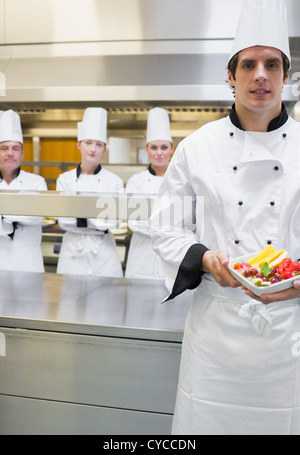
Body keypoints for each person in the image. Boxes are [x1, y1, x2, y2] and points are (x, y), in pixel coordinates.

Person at [150, 0, 300, 435]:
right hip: (216, 330)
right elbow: (166, 228)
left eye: (272, 64)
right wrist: (204, 257)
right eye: (248, 64)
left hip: (289, 332)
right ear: (230, 76)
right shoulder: (198, 147)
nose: (260, 75)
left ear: (285, 77)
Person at [56, 107, 124, 278]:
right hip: (72, 252)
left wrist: (79, 215)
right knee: (70, 302)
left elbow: (115, 221)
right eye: (88, 143)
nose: (93, 149)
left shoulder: (114, 181)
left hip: (104, 255)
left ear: (104, 149)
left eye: (99, 144)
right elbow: (64, 220)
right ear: (78, 145)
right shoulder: (65, 180)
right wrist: (98, 217)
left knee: (105, 302)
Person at [125, 107, 174, 280]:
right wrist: (167, 224)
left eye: (163, 147)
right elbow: (134, 222)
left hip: (171, 255)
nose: (159, 152)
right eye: (154, 147)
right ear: (146, 149)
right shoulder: (135, 182)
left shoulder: (181, 180)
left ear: (171, 149)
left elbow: (186, 221)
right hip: (141, 258)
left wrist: (151, 223)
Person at [0, 109, 47, 272]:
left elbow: (37, 216)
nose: (10, 154)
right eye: (4, 148)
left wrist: (3, 214)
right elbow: (29, 213)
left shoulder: (36, 182)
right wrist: (23, 209)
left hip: (28, 263)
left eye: (15, 148)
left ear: (22, 154)